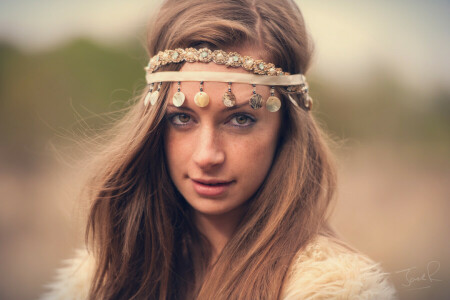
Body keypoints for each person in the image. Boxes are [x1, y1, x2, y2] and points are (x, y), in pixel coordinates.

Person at [40, 0, 397, 299]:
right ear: (153, 125)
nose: (207, 155)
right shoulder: (102, 276)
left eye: (240, 119)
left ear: (286, 126)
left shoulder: (336, 289)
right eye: (182, 117)